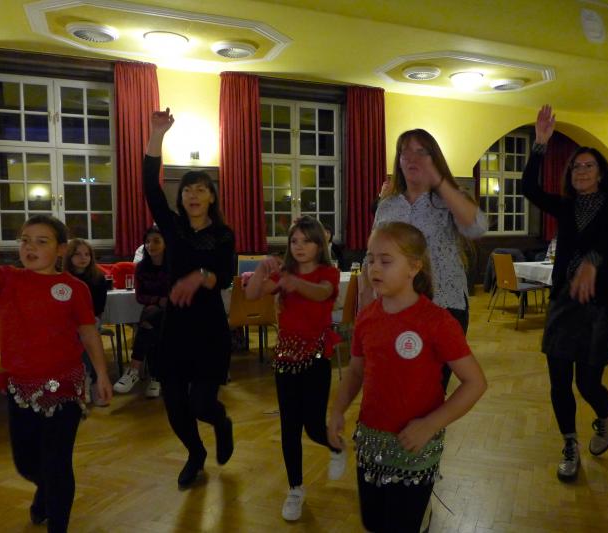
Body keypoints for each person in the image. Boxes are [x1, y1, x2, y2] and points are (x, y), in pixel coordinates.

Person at [328, 221, 487, 533]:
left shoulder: (437, 322)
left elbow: (475, 383)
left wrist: (430, 424)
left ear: (414, 267)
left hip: (415, 446)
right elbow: (356, 371)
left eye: (386, 261)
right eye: (371, 259)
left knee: (402, 526)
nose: (375, 268)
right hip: (371, 443)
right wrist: (337, 410)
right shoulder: (367, 318)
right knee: (373, 522)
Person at [523, 105, 608, 482]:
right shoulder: (567, 205)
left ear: (600, 173)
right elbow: (529, 188)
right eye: (576, 167)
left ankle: (606, 416)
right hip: (563, 302)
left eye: (588, 166)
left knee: (587, 382)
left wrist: (592, 261)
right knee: (558, 379)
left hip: (599, 305)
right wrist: (540, 143)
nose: (581, 171)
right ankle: (569, 442)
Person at [0, 215, 113, 533]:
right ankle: (44, 489)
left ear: (61, 250)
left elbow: (88, 333)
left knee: (57, 462)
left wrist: (101, 374)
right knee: (26, 463)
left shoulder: (75, 288)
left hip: (64, 387)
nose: (30, 247)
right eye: (25, 240)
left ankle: (58, 522)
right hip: (20, 389)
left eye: (41, 241)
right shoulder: (7, 279)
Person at [144, 108, 236, 488]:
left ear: (212, 197)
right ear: (180, 199)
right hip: (176, 327)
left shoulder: (224, 235)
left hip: (209, 328)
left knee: (202, 404)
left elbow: (225, 276)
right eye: (187, 190)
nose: (193, 195)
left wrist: (200, 276)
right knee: (175, 404)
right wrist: (157, 134)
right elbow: (151, 187)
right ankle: (195, 453)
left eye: (200, 189)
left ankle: (221, 422)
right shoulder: (173, 227)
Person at [244, 216, 344, 521]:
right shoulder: (285, 273)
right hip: (285, 360)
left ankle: (336, 446)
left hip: (316, 359)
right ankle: (295, 489)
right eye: (294, 241)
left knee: (313, 426)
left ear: (320, 245)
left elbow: (322, 293)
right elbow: (251, 294)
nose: (299, 246)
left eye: (307, 241)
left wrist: (296, 283)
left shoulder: (328, 273)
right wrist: (261, 270)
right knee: (289, 428)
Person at [370, 128, 487, 389]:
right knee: (398, 385)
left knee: (433, 387)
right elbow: (374, 255)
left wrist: (439, 181)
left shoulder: (448, 201)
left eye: (421, 151)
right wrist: (368, 309)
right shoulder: (388, 206)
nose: (412, 158)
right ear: (398, 161)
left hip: (445, 305)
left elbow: (477, 227)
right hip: (395, 307)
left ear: (434, 158)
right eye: (405, 152)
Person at [113, 226, 169, 398]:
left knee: (148, 321)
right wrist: (158, 301)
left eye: (156, 241)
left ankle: (134, 370)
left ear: (166, 244)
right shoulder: (142, 267)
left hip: (175, 310)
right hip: (154, 311)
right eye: (147, 241)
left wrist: (162, 302)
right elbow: (140, 296)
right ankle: (156, 378)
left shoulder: (174, 266)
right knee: (151, 326)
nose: (151, 245)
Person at [63, 238, 110, 406]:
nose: (83, 258)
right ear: (69, 257)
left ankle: (89, 380)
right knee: (76, 336)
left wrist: (86, 324)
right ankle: (82, 380)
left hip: (90, 321)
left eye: (86, 254)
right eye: (77, 254)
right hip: (67, 323)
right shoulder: (62, 277)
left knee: (87, 336)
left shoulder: (98, 278)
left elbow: (98, 308)